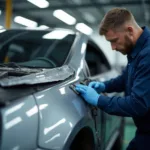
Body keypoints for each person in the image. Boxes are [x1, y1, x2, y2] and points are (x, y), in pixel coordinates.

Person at [75, 8, 150, 150]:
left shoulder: (147, 55)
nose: (113, 47)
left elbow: (137, 104)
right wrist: (104, 86)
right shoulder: (137, 50)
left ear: (130, 30)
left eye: (114, 41)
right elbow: (126, 78)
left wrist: (98, 100)